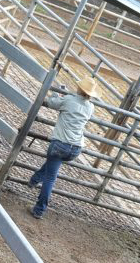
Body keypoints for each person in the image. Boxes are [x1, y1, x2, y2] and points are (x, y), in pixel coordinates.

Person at [27, 76, 100, 219]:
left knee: (50, 178)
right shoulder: (91, 107)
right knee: (53, 163)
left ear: (79, 88)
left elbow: (52, 103)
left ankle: (39, 210)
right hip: (75, 149)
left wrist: (57, 93)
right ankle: (34, 180)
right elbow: (77, 105)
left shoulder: (69, 100)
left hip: (60, 144)